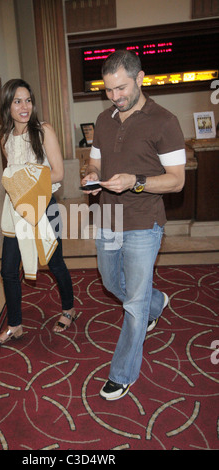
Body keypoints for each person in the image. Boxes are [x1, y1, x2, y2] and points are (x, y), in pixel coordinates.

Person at [81, 50, 186, 400]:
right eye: (109, 90)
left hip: (144, 220)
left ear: (140, 78)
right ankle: (157, 303)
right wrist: (92, 176)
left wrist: (135, 181)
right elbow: (94, 162)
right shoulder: (104, 117)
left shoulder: (165, 121)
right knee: (112, 282)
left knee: (134, 303)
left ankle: (122, 372)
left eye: (122, 88)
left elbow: (176, 181)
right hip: (108, 217)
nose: (116, 97)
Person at [0, 79, 75, 346]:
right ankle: (15, 325)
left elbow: (59, 173)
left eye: (27, 100)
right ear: (8, 106)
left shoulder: (43, 130)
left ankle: (69, 309)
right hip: (16, 209)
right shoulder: (4, 138)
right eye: (17, 101)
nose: (24, 106)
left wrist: (28, 182)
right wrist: (18, 187)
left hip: (45, 205)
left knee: (54, 262)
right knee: (8, 271)